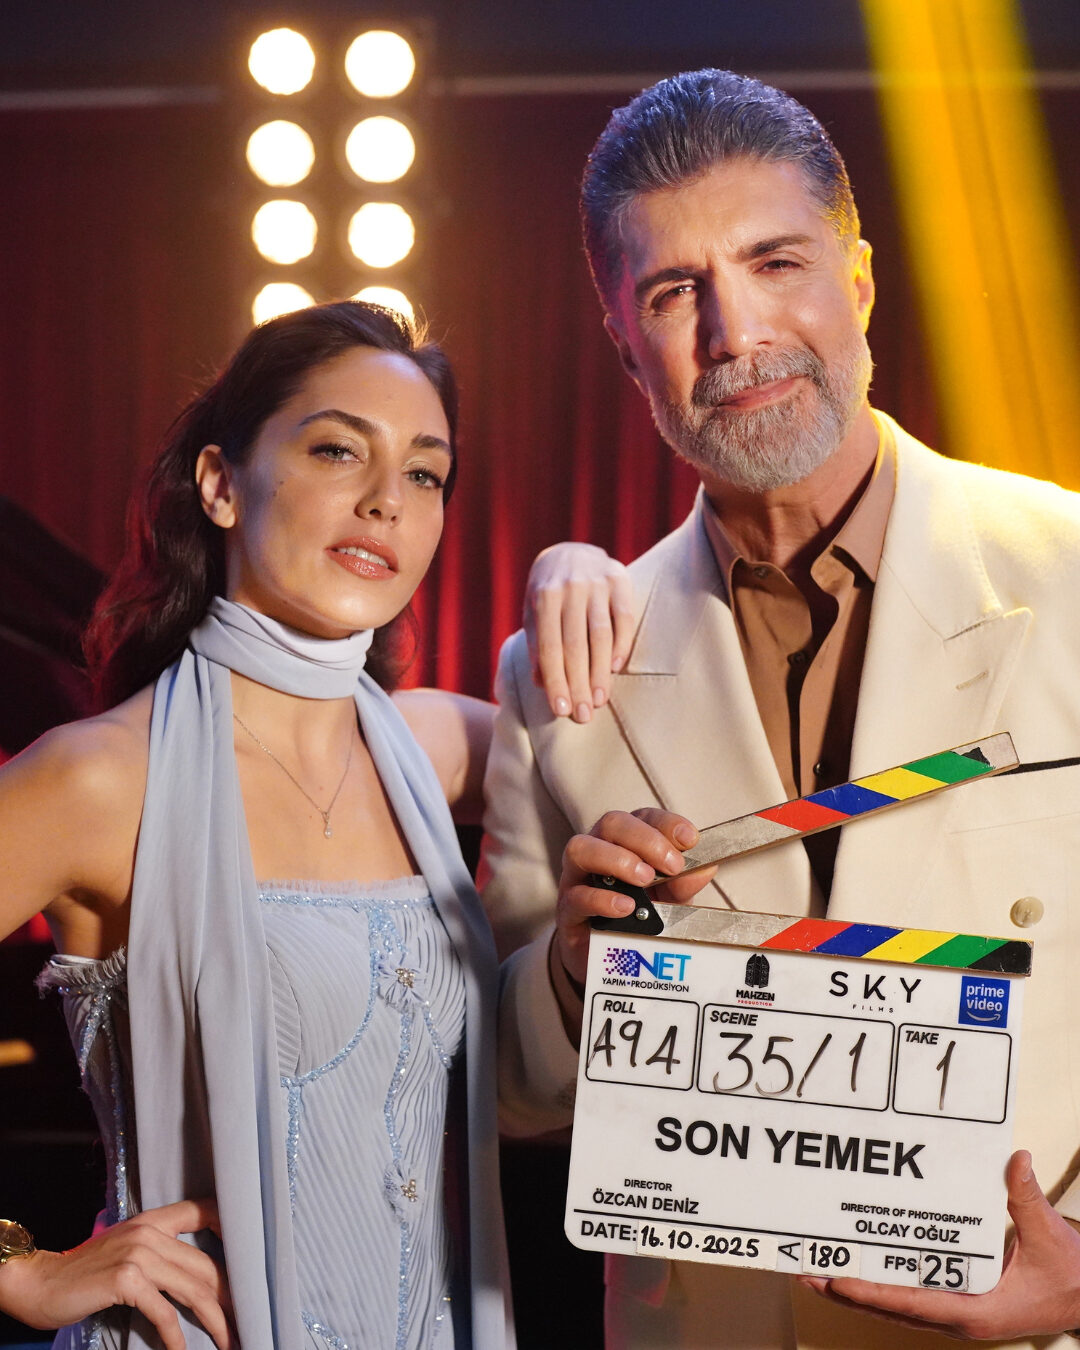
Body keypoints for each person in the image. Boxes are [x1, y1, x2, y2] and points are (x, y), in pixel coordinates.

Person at [484, 69, 1080, 1348]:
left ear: (857, 282)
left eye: (776, 263)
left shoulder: (1071, 575)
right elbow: (514, 1090)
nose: (735, 331)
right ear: (623, 340)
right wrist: (575, 971)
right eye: (673, 291)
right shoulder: (560, 673)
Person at [0, 299, 624, 1350]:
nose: (386, 501)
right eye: (338, 450)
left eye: (425, 473)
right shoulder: (102, 778)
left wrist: (585, 569)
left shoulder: (436, 751)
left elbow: (659, 768)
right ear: (219, 484)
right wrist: (22, 1268)